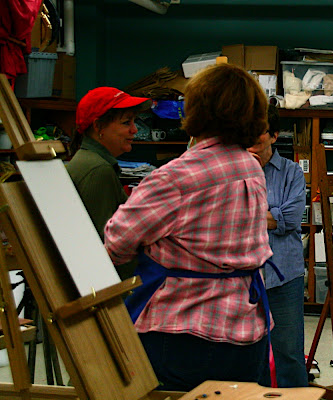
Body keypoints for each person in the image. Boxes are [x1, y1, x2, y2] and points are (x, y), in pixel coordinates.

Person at [103, 63, 275, 392]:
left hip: (185, 333)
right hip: (246, 331)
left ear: (195, 109)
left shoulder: (178, 176)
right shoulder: (250, 166)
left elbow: (117, 242)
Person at [248, 104, 308, 388]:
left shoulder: (291, 172)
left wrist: (247, 216)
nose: (252, 139)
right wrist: (271, 215)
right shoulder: (234, 171)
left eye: (259, 133)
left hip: (284, 274)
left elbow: (292, 218)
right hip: (245, 275)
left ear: (273, 136)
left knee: (289, 352)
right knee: (251, 354)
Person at [67, 87, 150, 280]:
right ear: (98, 127)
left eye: (134, 122)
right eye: (126, 122)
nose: (134, 130)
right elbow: (105, 247)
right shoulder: (97, 170)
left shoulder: (91, 162)